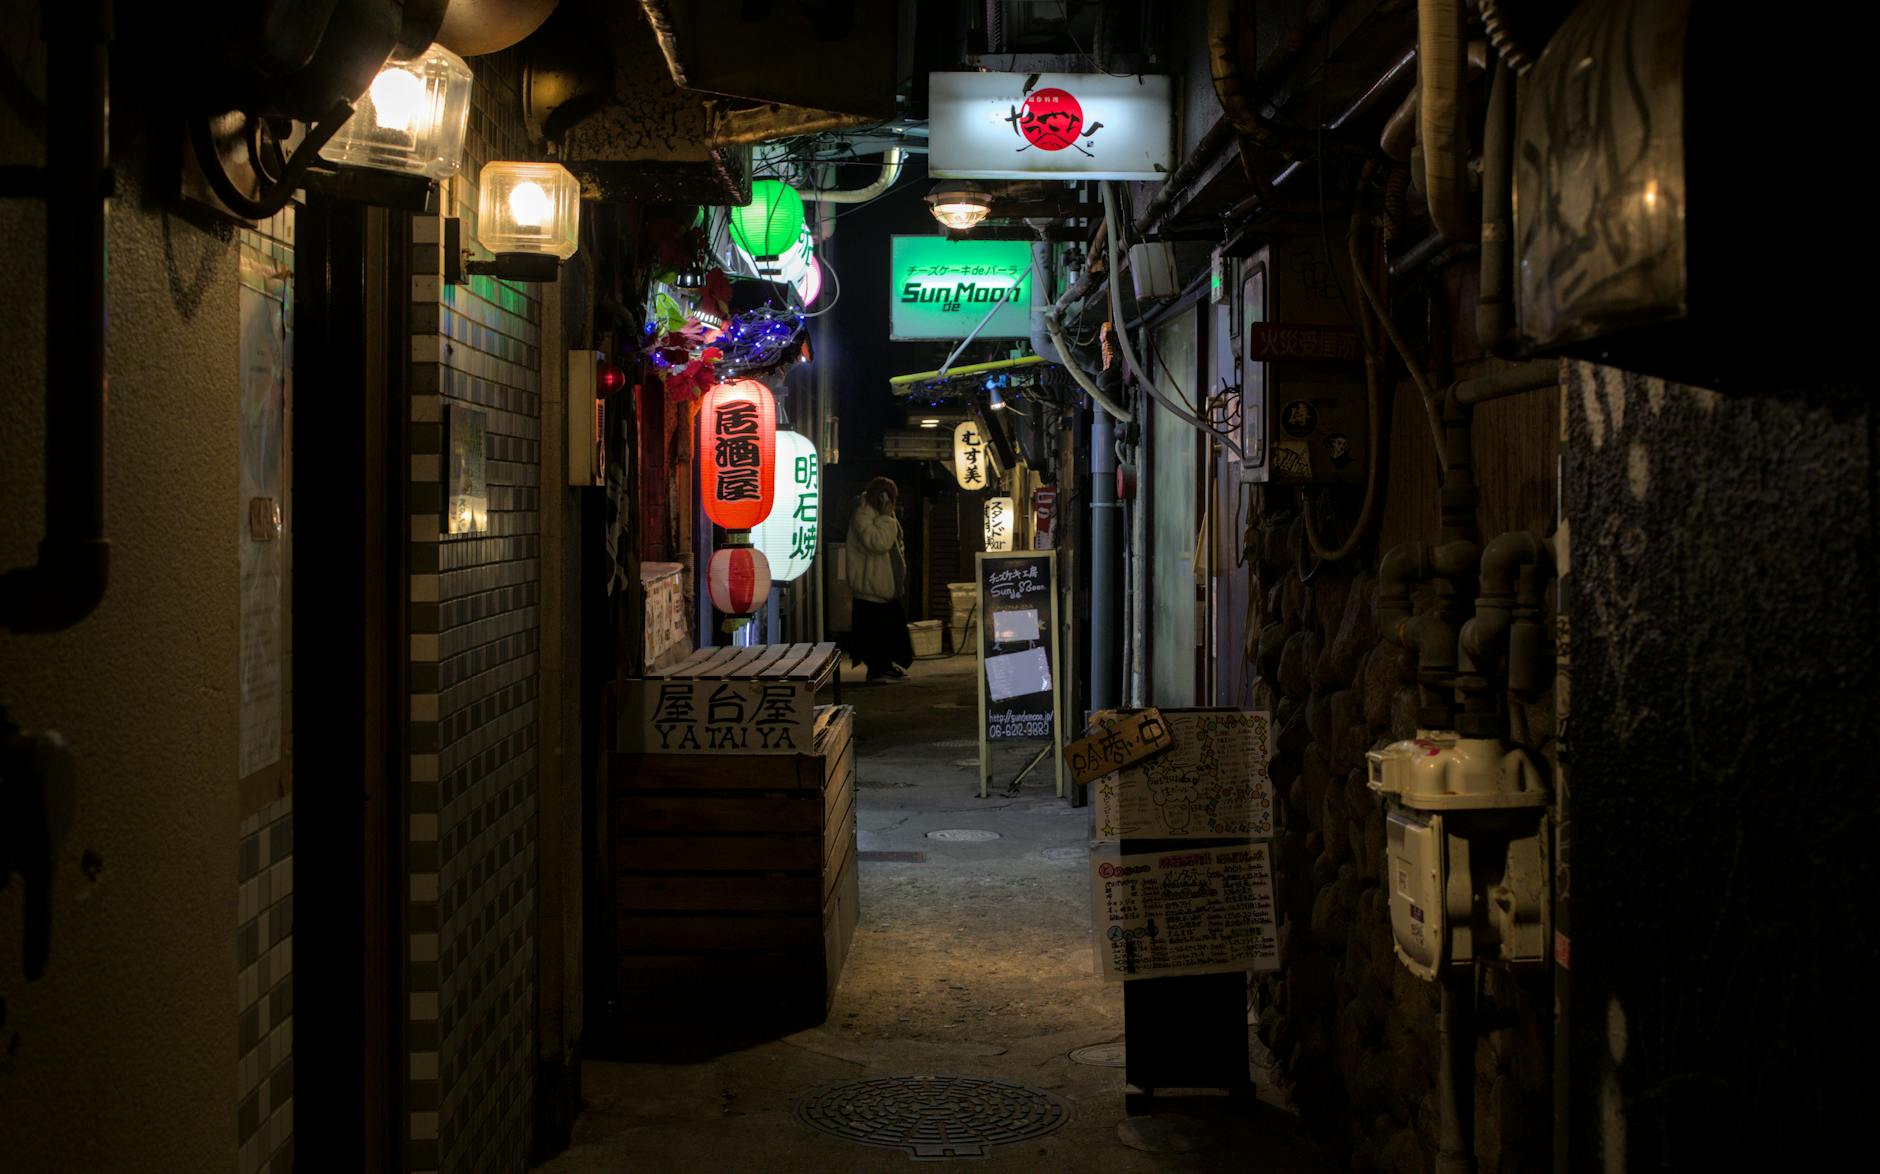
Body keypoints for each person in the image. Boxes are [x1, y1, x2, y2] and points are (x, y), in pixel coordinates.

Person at [845, 476, 915, 682]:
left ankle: (885, 666)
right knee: (876, 633)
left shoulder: (876, 513)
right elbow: (879, 542)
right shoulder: (863, 515)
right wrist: (885, 517)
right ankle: (877, 669)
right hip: (871, 586)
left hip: (882, 586)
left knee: (887, 631)